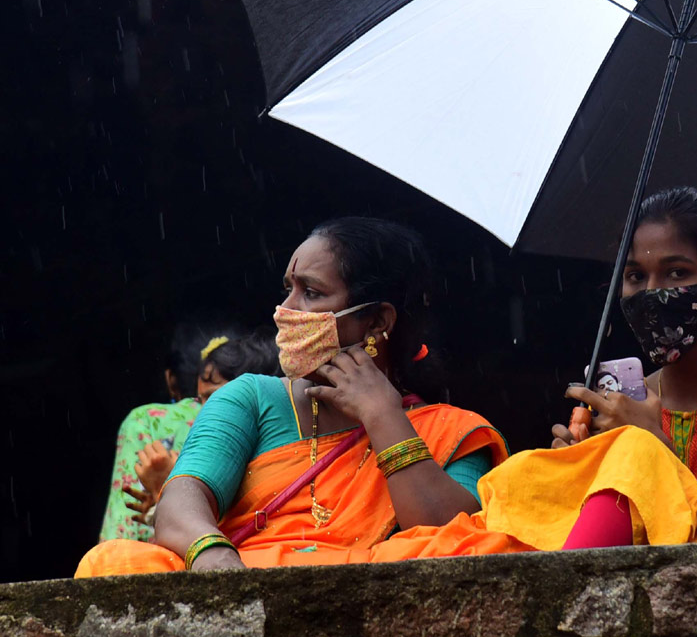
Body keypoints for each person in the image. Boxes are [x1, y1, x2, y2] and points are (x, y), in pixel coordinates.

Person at [359, 186, 697, 559]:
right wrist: (578, 470)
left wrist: (653, 451)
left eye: (675, 273)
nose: (651, 293)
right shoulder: (615, 399)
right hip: (609, 576)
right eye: (636, 276)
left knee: (634, 452)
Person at [77, 217, 507, 575]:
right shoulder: (251, 398)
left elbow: (453, 543)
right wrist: (217, 558)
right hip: (238, 579)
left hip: (370, 587)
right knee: (115, 562)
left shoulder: (452, 429)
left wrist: (383, 418)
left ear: (377, 321)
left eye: (312, 293)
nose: (286, 310)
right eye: (289, 288)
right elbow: (179, 506)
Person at [120, 330, 284, 529]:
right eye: (202, 400)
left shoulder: (279, 455)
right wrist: (159, 507)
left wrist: (174, 488)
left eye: (216, 397)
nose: (204, 412)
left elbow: (226, 540)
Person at [97, 326, 206, 542]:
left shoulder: (144, 420)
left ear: (170, 379)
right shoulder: (245, 418)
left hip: (160, 559)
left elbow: (123, 529)